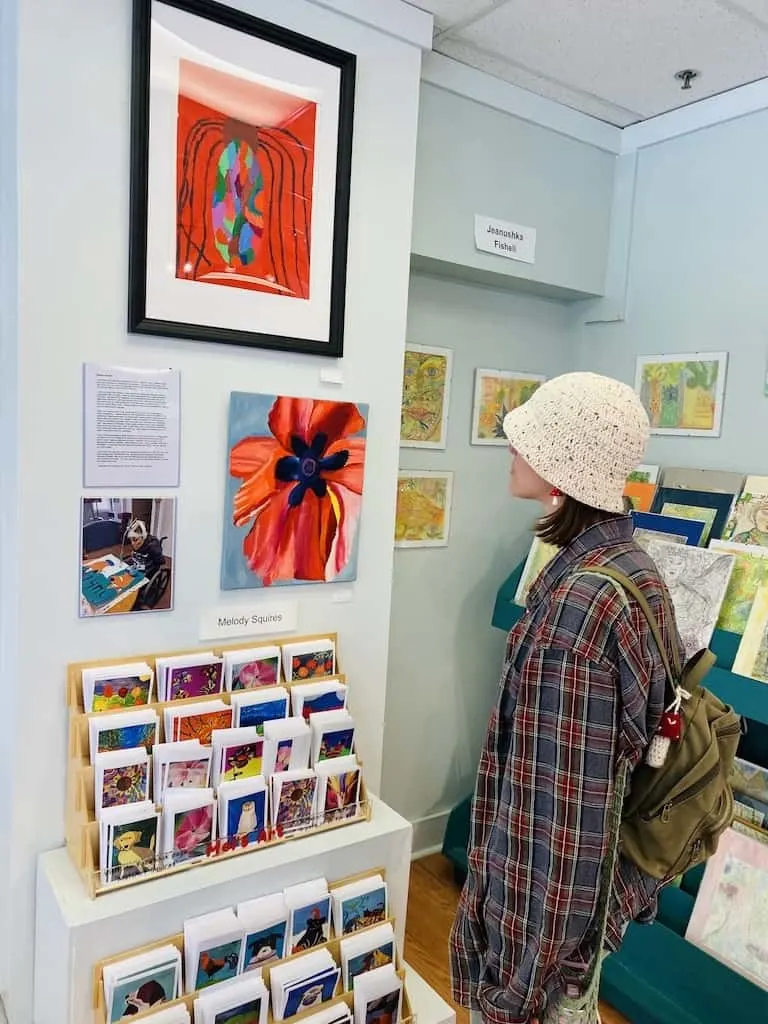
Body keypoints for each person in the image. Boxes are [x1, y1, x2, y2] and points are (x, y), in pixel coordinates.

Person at [450, 372, 685, 1024]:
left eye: (530, 439)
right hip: (574, 929)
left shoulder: (579, 608)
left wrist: (520, 987)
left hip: (540, 957)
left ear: (566, 465)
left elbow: (557, 825)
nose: (511, 446)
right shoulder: (628, 566)